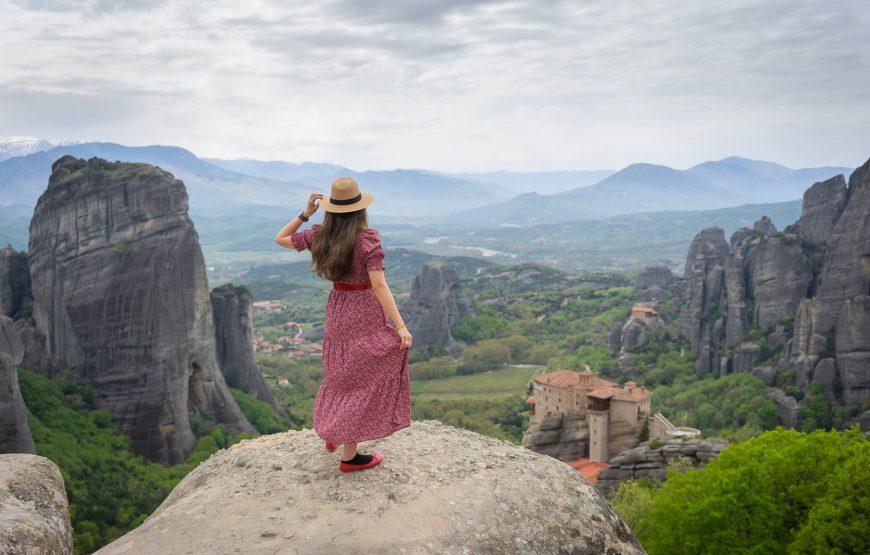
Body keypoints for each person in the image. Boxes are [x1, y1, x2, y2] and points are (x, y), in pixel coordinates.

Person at [274, 177, 413, 472]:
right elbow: (379, 285)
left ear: (331, 209)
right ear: (359, 209)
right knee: (361, 377)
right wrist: (400, 326)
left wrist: (305, 214)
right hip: (363, 310)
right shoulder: (366, 240)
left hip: (338, 308)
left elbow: (281, 239)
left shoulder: (320, 235)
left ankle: (334, 432)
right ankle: (349, 457)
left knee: (340, 371)